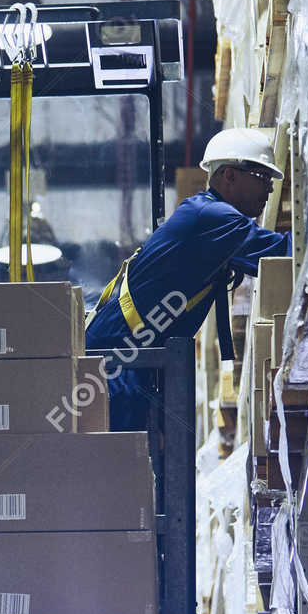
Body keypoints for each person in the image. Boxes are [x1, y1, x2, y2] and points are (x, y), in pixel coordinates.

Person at [85, 127, 292, 431]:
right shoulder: (214, 218)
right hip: (120, 363)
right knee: (122, 464)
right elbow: (287, 252)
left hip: (130, 357)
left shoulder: (206, 214)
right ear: (230, 176)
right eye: (262, 179)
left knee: (133, 462)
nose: (270, 191)